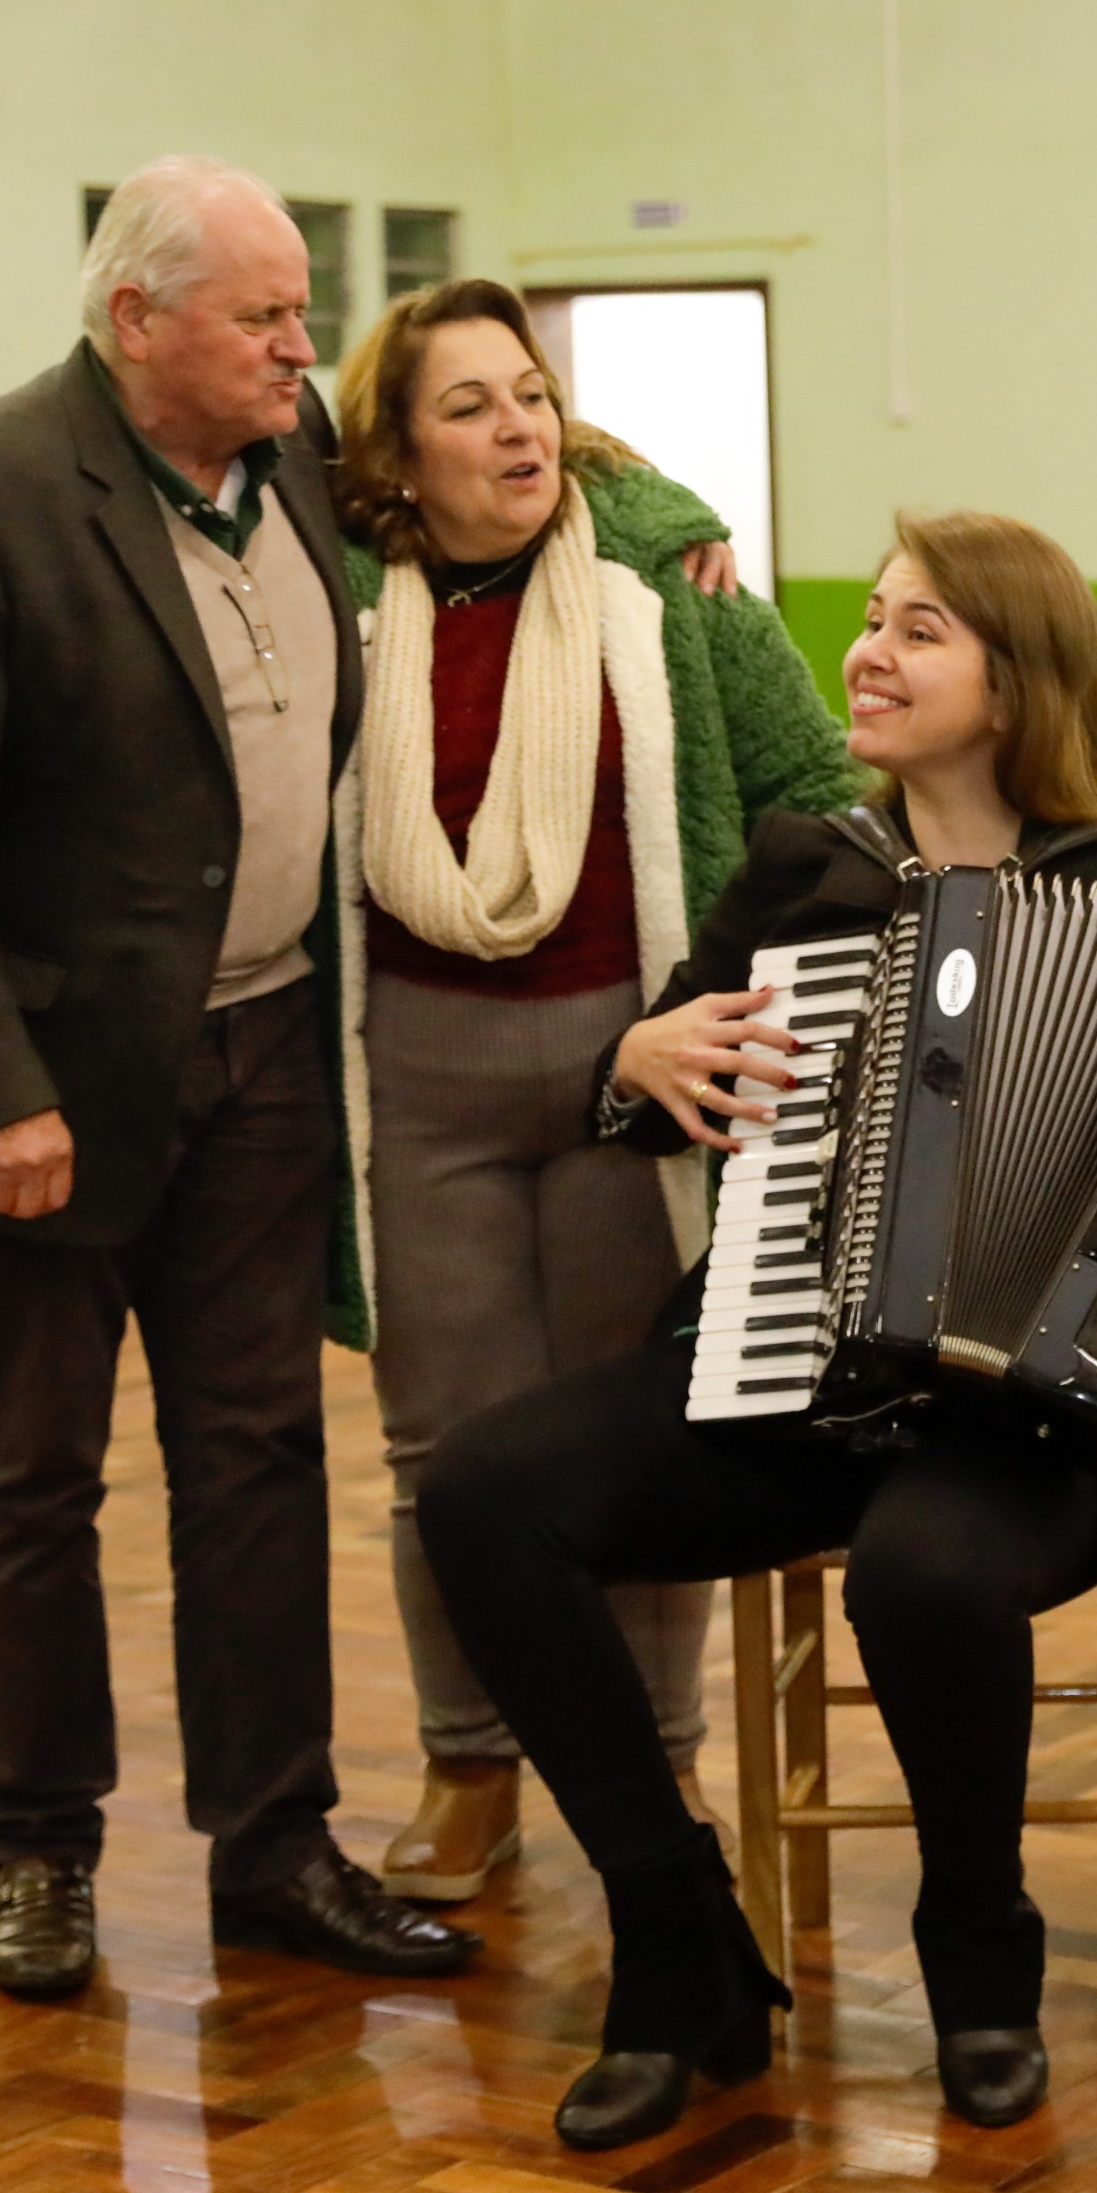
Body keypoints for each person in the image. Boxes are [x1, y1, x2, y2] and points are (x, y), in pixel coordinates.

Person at [415, 511, 1097, 2148]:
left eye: (919, 629)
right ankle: (677, 1940)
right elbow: (670, 1084)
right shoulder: (807, 871)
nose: (867, 650)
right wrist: (635, 1067)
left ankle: (979, 1955)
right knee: (484, 1495)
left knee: (923, 1570)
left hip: (1041, 1420)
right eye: (871, 619)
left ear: (1018, 679)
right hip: (797, 1369)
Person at [0, 156, 473, 2001]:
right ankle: (41, 1847)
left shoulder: (296, 467)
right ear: (135, 323)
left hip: (261, 1048)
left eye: (300, 312)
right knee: (35, 1475)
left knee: (257, 1458)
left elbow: (525, 467)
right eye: (264, 316)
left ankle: (273, 1843)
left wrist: (681, 543)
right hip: (52, 1086)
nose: (300, 345)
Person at [319, 278, 862, 1903]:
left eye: (532, 396)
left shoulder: (663, 585)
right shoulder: (343, 589)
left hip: (643, 1067)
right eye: (469, 406)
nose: (517, 429)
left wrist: (718, 1008)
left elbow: (817, 795)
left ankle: (661, 1764)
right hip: (418, 1078)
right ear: (397, 458)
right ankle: (470, 1762)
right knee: (448, 1445)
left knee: (646, 1434)